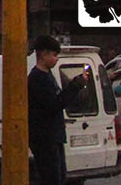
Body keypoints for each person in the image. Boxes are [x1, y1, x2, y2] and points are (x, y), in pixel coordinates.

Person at [28, 35, 92, 185]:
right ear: (43, 55)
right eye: (54, 55)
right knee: (52, 178)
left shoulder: (47, 75)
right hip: (45, 137)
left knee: (60, 177)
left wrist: (75, 85)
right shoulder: (37, 78)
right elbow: (53, 105)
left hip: (53, 136)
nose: (57, 59)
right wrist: (75, 86)